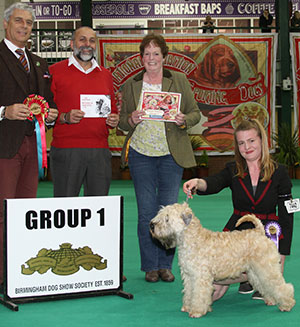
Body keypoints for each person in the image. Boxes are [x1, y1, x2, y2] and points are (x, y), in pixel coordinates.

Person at [119, 34, 200, 283]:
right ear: (141, 58)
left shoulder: (179, 80)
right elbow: (122, 122)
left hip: (170, 156)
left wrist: (184, 119)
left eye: (156, 53)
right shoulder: (131, 84)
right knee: (146, 213)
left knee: (169, 214)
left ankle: (165, 265)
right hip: (141, 154)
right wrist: (131, 119)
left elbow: (195, 113)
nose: (151, 58)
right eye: (147, 54)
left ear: (164, 56)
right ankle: (149, 266)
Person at [183, 119, 294, 301]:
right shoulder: (233, 169)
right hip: (238, 231)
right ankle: (249, 277)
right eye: (241, 143)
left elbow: (287, 215)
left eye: (251, 141)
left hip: (268, 230)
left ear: (261, 141)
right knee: (214, 293)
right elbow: (214, 183)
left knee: (270, 285)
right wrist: (197, 183)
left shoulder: (280, 172)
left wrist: (281, 255)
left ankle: (257, 277)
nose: (247, 147)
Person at [0, 2, 58, 291]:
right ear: (6, 24)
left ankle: (21, 267)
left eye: (29, 23)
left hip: (33, 145)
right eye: (19, 21)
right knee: (2, 210)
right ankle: (1, 275)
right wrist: (3, 111)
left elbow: (47, 100)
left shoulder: (39, 62)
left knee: (25, 211)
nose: (24, 27)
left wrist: (51, 114)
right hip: (4, 147)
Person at [49, 27, 119, 197]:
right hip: (66, 150)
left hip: (99, 151)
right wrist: (65, 117)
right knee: (64, 208)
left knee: (98, 208)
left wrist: (114, 119)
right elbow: (46, 111)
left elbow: (113, 110)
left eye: (92, 40)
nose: (87, 44)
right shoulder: (55, 71)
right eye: (82, 40)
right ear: (72, 43)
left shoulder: (106, 75)